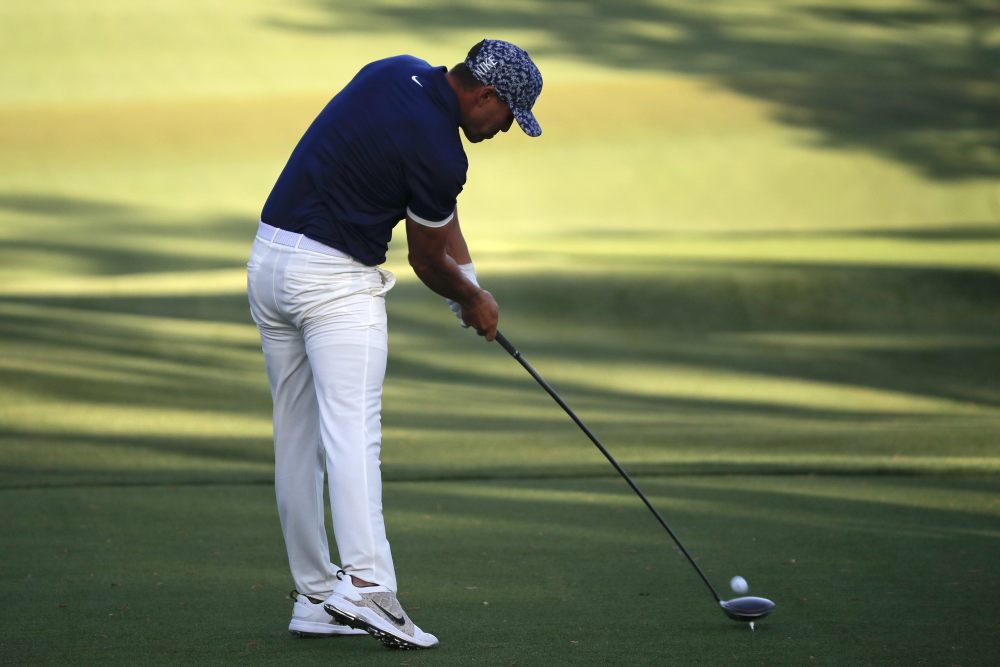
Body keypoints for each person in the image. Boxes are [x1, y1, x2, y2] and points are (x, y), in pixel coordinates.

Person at [246, 39, 543, 650]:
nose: (507, 128)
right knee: (353, 432)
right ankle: (368, 589)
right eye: (509, 115)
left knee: (297, 438)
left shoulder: (394, 71)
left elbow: (436, 208)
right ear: (485, 96)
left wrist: (473, 284)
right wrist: (470, 300)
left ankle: (315, 598)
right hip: (332, 282)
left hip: (270, 262)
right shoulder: (441, 151)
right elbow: (427, 257)